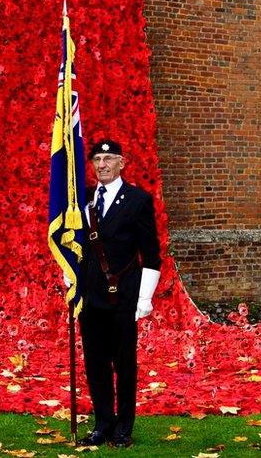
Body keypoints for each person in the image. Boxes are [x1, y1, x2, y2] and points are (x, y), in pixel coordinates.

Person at [73, 139, 161, 448]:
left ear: (122, 162)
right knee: (95, 364)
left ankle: (123, 426)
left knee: (124, 364)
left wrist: (145, 298)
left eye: (109, 158)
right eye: (97, 159)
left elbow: (151, 254)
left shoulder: (138, 200)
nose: (102, 165)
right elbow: (73, 246)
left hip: (124, 296)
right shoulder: (81, 199)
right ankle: (102, 424)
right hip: (91, 296)